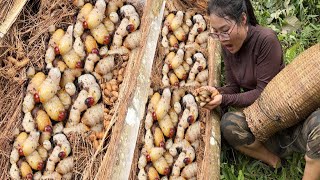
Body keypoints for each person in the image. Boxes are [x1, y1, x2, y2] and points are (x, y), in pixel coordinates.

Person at [199, 0, 320, 179]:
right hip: (265, 126)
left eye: (225, 30)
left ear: (243, 19)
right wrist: (217, 92)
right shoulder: (228, 47)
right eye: (216, 33)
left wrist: (224, 100)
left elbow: (263, 94)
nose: (222, 38)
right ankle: (275, 162)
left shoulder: (266, 40)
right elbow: (233, 88)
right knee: (228, 124)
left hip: (295, 122)